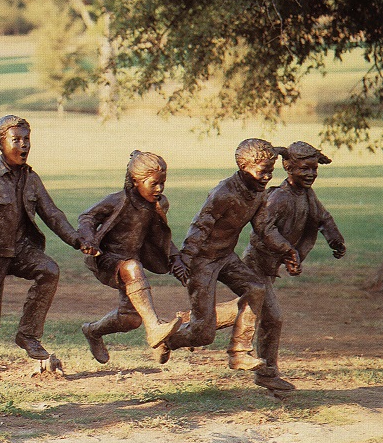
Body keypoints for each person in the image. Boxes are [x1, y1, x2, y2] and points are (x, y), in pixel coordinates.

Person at [177, 142, 345, 390]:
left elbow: (321, 219)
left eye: (314, 168)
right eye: (304, 168)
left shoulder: (304, 196)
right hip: (256, 263)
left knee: (251, 308)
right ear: (289, 167)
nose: (310, 173)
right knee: (271, 316)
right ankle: (264, 372)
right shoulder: (276, 197)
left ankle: (195, 322)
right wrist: (286, 250)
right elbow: (259, 232)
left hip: (264, 264)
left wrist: (329, 241)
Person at [0, 115, 93, 407]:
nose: (23, 145)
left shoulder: (31, 179)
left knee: (49, 270)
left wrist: (77, 240)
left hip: (20, 251)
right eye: (16, 140)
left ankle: (28, 335)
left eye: (26, 139)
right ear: (1, 143)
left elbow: (52, 214)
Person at [163, 138, 300, 371]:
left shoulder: (258, 193)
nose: (267, 178)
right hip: (201, 262)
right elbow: (200, 226)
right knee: (203, 334)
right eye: (262, 172)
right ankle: (167, 340)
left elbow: (264, 228)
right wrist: (185, 259)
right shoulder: (223, 193)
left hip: (226, 257)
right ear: (243, 167)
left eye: (271, 172)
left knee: (256, 288)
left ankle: (239, 351)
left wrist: (287, 249)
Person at [78, 151, 188, 364]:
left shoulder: (158, 205)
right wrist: (89, 240)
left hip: (131, 263)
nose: (159, 189)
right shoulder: (118, 200)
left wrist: (175, 258)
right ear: (136, 181)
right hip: (107, 259)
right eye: (154, 184)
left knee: (130, 319)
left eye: (162, 183)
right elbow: (87, 217)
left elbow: (162, 236)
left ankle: (92, 331)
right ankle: (155, 329)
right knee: (132, 267)